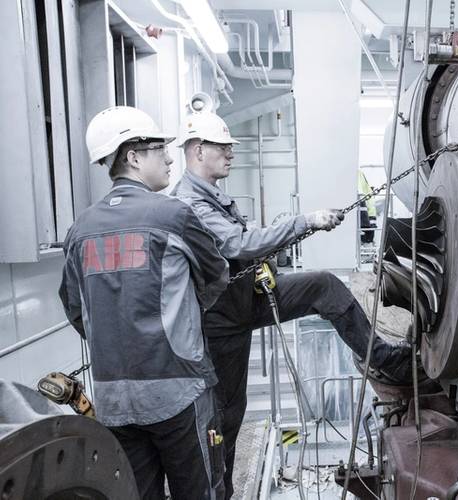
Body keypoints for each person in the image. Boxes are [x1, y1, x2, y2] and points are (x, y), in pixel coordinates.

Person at [172, 110, 413, 497]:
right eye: (224, 147)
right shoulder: (190, 203)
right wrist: (305, 221)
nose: (231, 154)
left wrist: (274, 242)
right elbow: (237, 245)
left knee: (323, 286)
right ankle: (219, 492)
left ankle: (382, 355)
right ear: (198, 150)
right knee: (225, 413)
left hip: (243, 298)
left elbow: (243, 240)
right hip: (219, 319)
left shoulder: (210, 195)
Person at [59, 106, 230, 500]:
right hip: (178, 389)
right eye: (159, 149)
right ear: (133, 156)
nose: (170, 157)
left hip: (113, 400)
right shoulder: (173, 215)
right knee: (201, 491)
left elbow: (75, 307)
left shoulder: (79, 229)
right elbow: (216, 275)